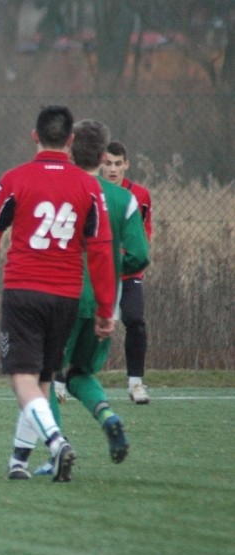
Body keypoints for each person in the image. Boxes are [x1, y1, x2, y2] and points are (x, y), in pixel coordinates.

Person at [0, 105, 116, 482]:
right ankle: (18, 461)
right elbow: (99, 250)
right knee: (44, 378)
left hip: (23, 291)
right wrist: (104, 308)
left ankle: (56, 442)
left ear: (35, 136)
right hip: (66, 296)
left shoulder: (15, 179)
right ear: (70, 140)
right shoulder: (89, 187)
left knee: (22, 377)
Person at [34, 120, 150, 476]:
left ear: (69, 147)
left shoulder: (63, 188)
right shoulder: (123, 198)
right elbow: (140, 254)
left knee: (44, 373)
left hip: (62, 294)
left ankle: (58, 449)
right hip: (103, 301)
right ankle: (109, 417)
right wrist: (114, 266)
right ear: (103, 157)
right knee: (80, 372)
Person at [101, 141, 153, 404]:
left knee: (135, 321)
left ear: (126, 164)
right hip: (99, 273)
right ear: (100, 163)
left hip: (128, 272)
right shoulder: (92, 192)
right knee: (82, 322)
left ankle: (135, 383)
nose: (112, 169)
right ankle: (62, 381)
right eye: (107, 163)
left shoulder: (139, 196)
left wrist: (130, 259)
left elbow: (145, 232)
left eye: (117, 163)